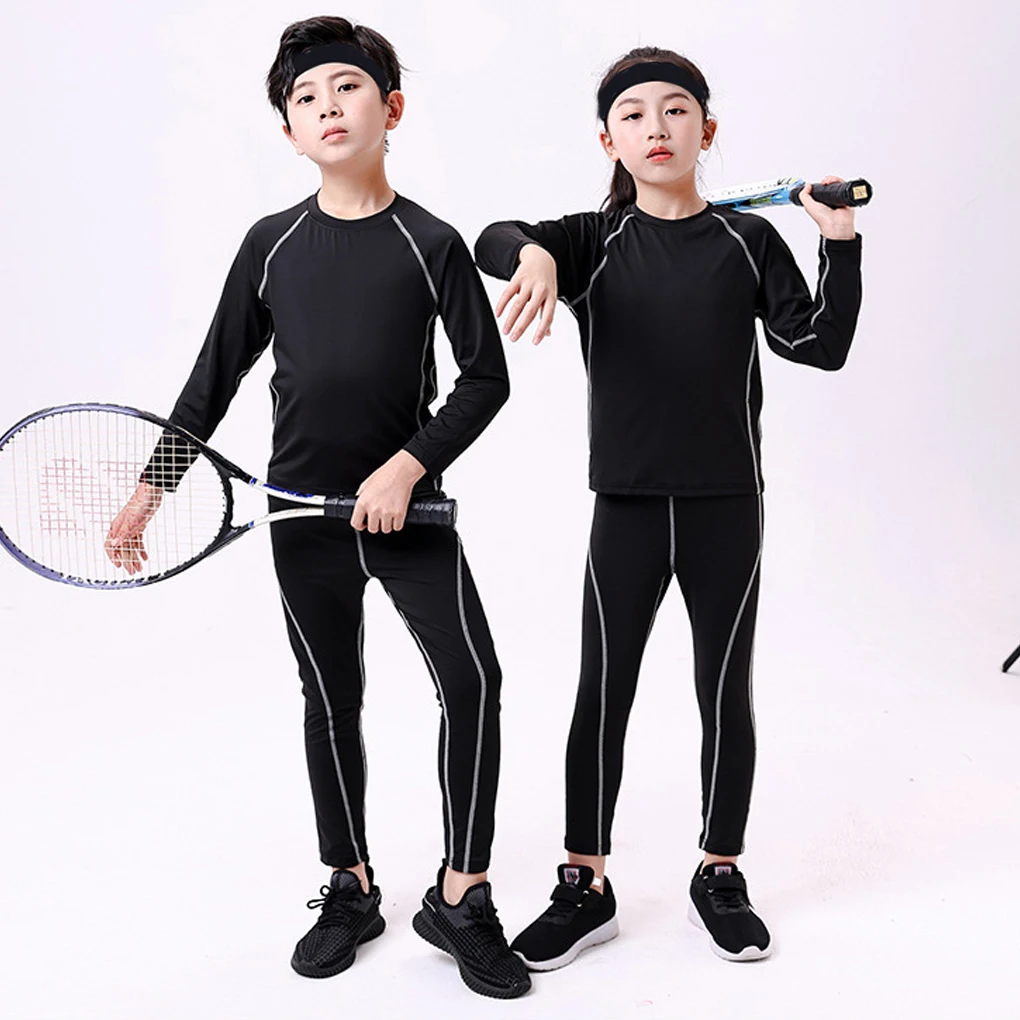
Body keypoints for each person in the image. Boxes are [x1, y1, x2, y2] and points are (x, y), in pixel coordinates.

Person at [104, 15, 530, 1000]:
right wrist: (147, 494)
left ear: (392, 108)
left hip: (409, 516)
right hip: (302, 523)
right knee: (331, 699)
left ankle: (461, 896)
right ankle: (350, 885)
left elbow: (485, 380)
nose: (328, 106)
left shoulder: (431, 242)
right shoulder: (271, 245)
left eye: (347, 88)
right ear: (291, 133)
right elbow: (210, 381)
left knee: (474, 682)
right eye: (306, 98)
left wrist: (407, 469)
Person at [473, 46, 863, 967]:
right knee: (601, 692)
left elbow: (819, 344)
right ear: (608, 139)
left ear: (707, 131)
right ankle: (584, 882)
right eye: (635, 114)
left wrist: (840, 244)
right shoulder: (589, 241)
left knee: (725, 691)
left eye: (677, 110)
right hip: (628, 508)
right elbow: (494, 234)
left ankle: (719, 873)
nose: (657, 127)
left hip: (729, 504)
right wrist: (533, 252)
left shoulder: (748, 241)